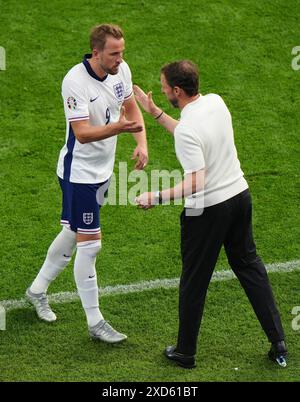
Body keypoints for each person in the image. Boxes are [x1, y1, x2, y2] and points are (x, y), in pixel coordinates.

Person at [134, 60, 287, 368]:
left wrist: (157, 196)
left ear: (177, 90)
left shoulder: (188, 130)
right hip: (240, 197)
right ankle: (278, 341)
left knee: (194, 280)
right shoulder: (216, 102)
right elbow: (192, 134)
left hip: (208, 210)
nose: (162, 91)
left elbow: (196, 180)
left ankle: (185, 352)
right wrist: (156, 113)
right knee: (250, 266)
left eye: (164, 88)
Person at [26, 24, 148, 343]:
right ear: (96, 53)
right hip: (78, 173)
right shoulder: (74, 82)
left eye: (122, 52)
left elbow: (131, 107)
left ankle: (37, 290)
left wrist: (141, 142)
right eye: (114, 53)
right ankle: (95, 322)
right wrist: (119, 129)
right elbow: (81, 132)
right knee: (91, 244)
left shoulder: (121, 71)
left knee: (72, 231)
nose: (120, 59)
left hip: (101, 172)